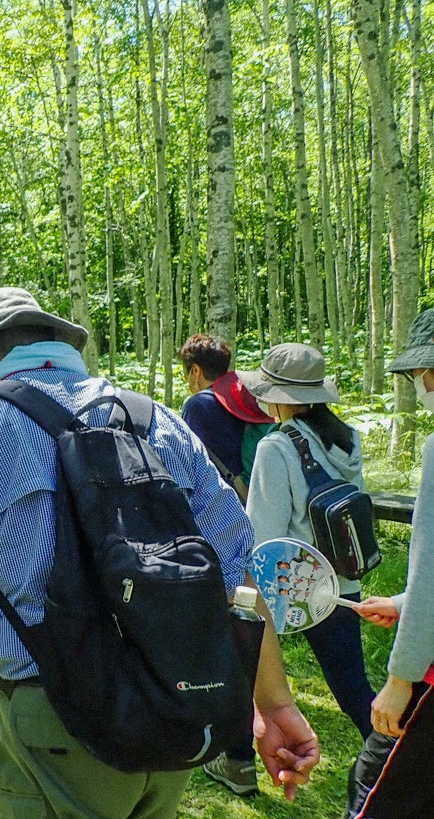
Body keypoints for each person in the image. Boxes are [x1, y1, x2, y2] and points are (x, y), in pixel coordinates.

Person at [0, 287, 319, 817]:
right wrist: (275, 703)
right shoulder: (158, 422)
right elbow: (235, 571)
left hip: (56, 719)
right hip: (170, 707)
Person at [347, 298, 434, 819]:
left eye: (426, 371)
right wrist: (402, 600)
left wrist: (399, 680)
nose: (422, 383)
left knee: (376, 790)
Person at [238, 343, 377, 745]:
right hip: (341, 581)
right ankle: (392, 751)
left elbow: (262, 536)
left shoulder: (276, 446)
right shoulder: (344, 438)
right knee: (353, 686)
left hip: (292, 587)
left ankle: (239, 758)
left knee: (246, 671)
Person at [178, 333, 276, 795]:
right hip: (260, 525)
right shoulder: (250, 399)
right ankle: (240, 751)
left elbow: (185, 472)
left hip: (215, 534)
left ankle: (235, 755)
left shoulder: (198, 405)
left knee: (223, 645)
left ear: (196, 370)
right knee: (247, 638)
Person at [180, 334, 276, 503]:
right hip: (262, 492)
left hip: (223, 504)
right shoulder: (245, 395)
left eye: (185, 373)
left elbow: (188, 464)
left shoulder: (197, 405)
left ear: (195, 370)